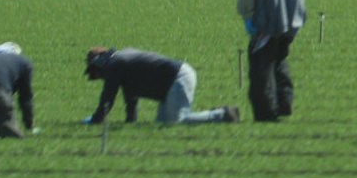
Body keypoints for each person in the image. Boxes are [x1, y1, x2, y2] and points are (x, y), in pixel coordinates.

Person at [82, 47, 240, 124]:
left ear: (99, 63)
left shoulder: (115, 65)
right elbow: (130, 95)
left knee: (178, 121)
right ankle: (215, 115)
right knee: (162, 127)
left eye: (96, 73)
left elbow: (107, 98)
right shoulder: (120, 61)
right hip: (171, 82)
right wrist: (131, 121)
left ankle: (223, 114)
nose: (99, 77)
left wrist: (94, 121)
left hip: (178, 78)